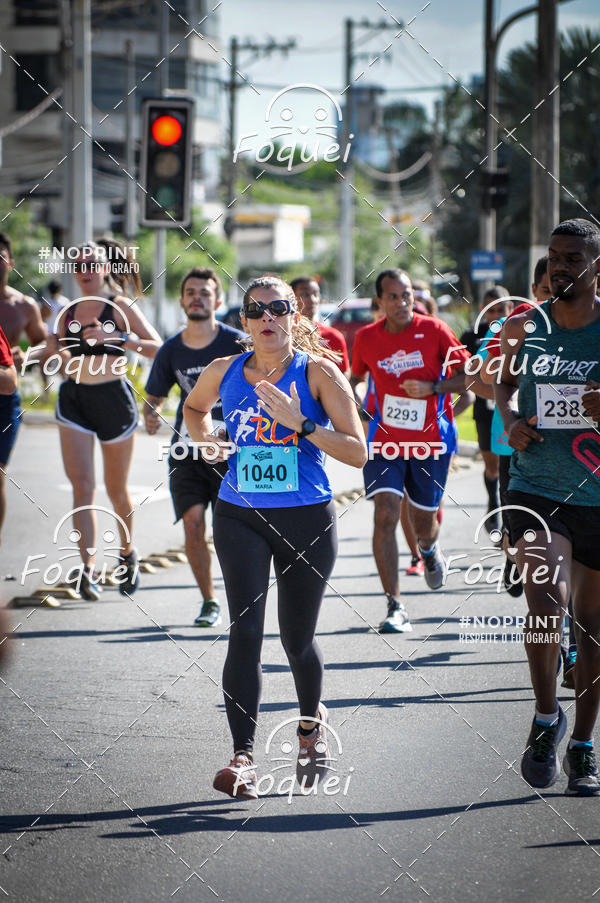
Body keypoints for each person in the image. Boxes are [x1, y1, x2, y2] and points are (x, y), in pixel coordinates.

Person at [183, 274, 366, 799]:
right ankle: (242, 758)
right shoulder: (223, 370)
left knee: (296, 640)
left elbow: (358, 452)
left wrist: (300, 423)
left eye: (278, 308)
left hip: (306, 518)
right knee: (245, 631)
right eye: (257, 310)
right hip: (239, 513)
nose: (268, 318)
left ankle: (309, 726)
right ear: (243, 320)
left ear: (294, 316)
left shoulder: (319, 373)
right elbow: (193, 409)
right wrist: (206, 441)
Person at [495, 218, 600, 795]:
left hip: (597, 493)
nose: (560, 266)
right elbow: (503, 385)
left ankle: (582, 742)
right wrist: (510, 419)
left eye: (573, 258)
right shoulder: (523, 326)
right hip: (537, 486)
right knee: (544, 601)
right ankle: (544, 717)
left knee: (592, 627)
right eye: (555, 256)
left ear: (596, 266)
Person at [351, 268, 470, 632]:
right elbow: (356, 379)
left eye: (407, 296)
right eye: (394, 296)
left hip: (429, 442)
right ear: (380, 302)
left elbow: (470, 375)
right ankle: (395, 605)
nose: (402, 302)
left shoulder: (434, 330)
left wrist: (434, 388)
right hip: (384, 441)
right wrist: (358, 401)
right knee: (386, 512)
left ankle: (429, 551)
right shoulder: (367, 337)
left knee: (423, 523)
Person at [45, 241, 161, 600]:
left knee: (116, 490)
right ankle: (88, 569)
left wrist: (118, 337)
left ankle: (127, 553)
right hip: (75, 400)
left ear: (105, 267)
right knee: (82, 487)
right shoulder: (65, 311)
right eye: (79, 265)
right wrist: (55, 353)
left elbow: (159, 348)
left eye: (92, 264)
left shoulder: (120, 306)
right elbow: (52, 353)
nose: (86, 271)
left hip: (114, 400)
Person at [145, 267, 244, 627]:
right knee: (192, 522)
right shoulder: (170, 349)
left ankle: (241, 599)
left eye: (205, 292)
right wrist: (151, 414)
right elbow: (155, 395)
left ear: (218, 301)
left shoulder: (238, 344)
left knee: (228, 531)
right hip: (186, 451)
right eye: (191, 292)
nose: (197, 298)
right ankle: (209, 601)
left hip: (232, 452)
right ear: (182, 300)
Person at [0, 232, 47, 539]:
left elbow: (45, 345)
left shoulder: (23, 305)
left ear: (11, 263)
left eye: (0, 256)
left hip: (5, 397)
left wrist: (26, 356)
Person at [460, 286, 513, 534]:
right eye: (491, 310)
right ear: (483, 310)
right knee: (492, 465)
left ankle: (507, 515)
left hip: (512, 411)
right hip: (485, 409)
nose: (496, 315)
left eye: (501, 309)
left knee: (508, 466)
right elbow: (466, 373)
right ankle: (493, 503)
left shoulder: (519, 330)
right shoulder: (472, 337)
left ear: (510, 308)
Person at [290, 276, 350, 376]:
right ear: (291, 298)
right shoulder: (282, 337)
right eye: (305, 294)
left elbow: (344, 375)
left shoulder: (333, 336)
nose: (312, 299)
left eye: (316, 294)